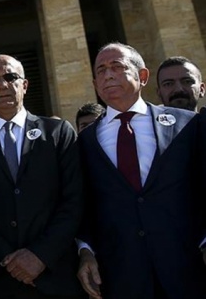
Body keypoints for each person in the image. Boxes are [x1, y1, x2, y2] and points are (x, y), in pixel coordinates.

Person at [76, 43, 206, 299]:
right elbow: (83, 204)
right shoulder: (84, 143)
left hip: (188, 269)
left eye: (117, 67)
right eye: (101, 70)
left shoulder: (187, 125)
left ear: (143, 76)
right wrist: (85, 250)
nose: (108, 75)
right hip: (123, 276)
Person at [0, 54, 84, 299]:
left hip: (54, 273)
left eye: (11, 77)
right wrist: (9, 260)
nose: (3, 85)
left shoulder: (57, 133)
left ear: (24, 84)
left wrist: (40, 255)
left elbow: (73, 200)